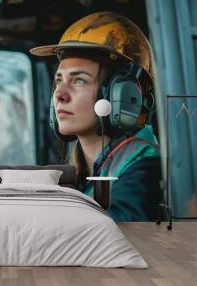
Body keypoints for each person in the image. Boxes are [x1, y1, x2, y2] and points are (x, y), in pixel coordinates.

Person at [30, 12, 162, 221]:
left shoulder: (145, 166)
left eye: (79, 81)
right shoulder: (82, 171)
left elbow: (113, 236)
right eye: (58, 81)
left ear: (123, 95)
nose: (60, 95)